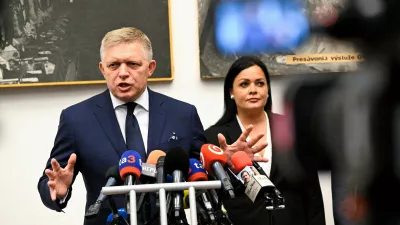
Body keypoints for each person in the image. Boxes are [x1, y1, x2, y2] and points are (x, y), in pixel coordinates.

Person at [37, 27, 267, 225]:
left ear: (151, 67)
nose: (123, 73)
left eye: (133, 64)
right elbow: (49, 182)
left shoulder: (182, 114)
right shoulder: (76, 118)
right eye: (114, 65)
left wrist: (223, 165)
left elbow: (204, 179)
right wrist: (57, 191)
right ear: (102, 69)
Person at [204, 56, 326, 225]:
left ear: (268, 90)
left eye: (260, 83)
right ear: (231, 91)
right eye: (244, 84)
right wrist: (225, 163)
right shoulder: (214, 138)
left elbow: (312, 194)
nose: (253, 90)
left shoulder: (291, 128)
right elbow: (209, 199)